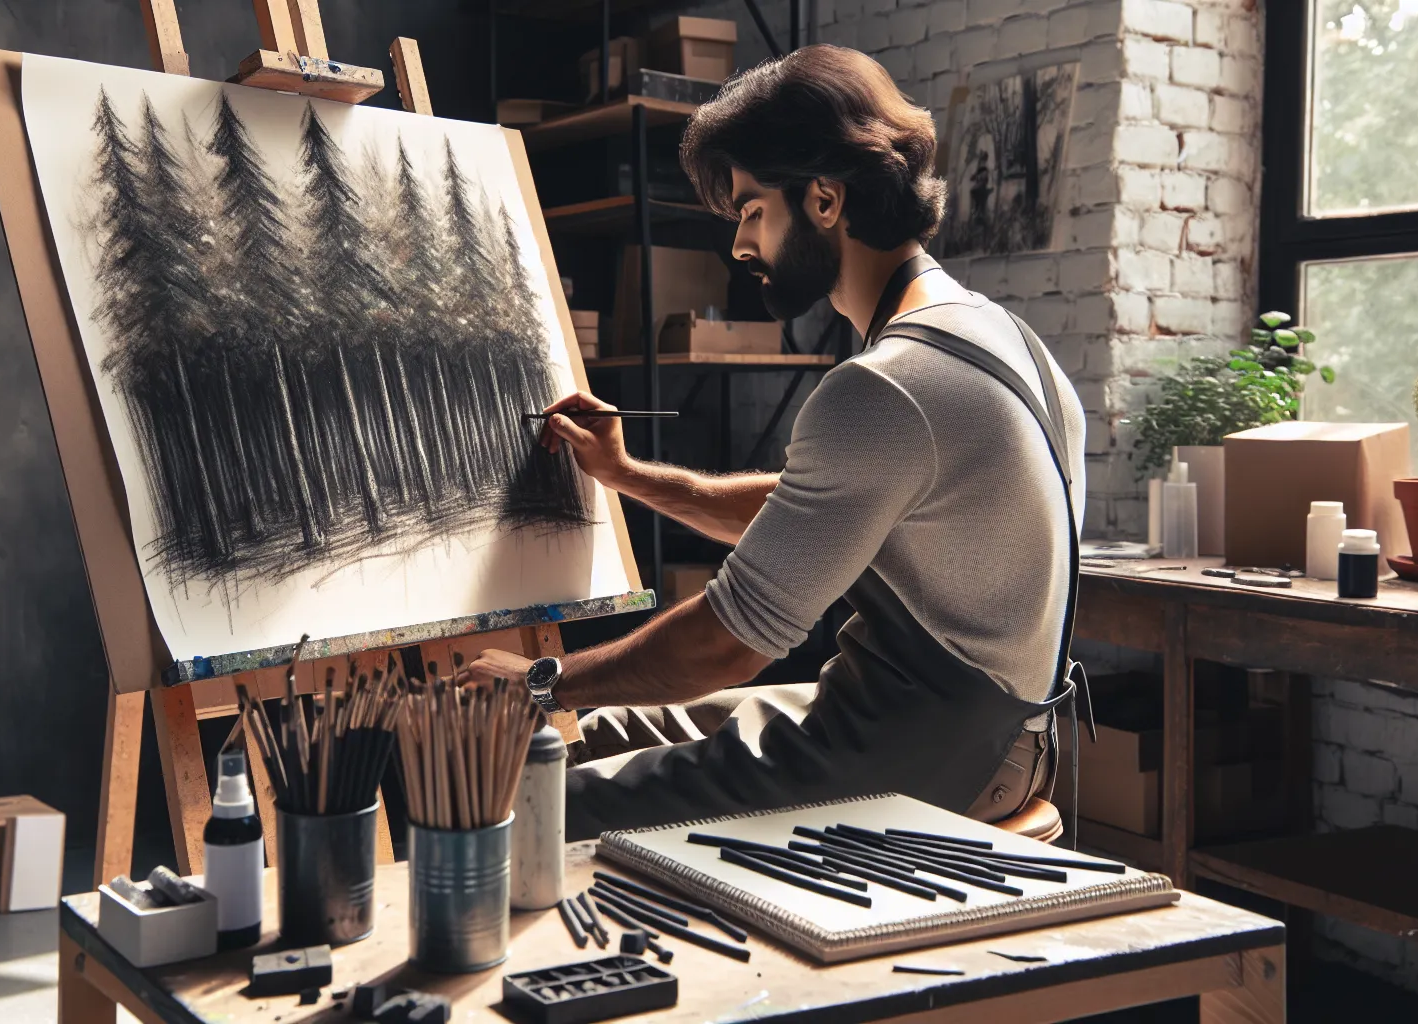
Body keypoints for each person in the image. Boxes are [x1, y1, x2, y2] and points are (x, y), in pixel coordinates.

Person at [458, 44, 1087, 842]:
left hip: (932, 764)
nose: (740, 245)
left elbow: (727, 645)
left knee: (529, 802)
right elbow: (807, 516)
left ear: (824, 199)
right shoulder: (1006, 339)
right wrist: (626, 473)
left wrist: (543, 681)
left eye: (752, 210)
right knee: (594, 736)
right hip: (1005, 743)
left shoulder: (887, 386)